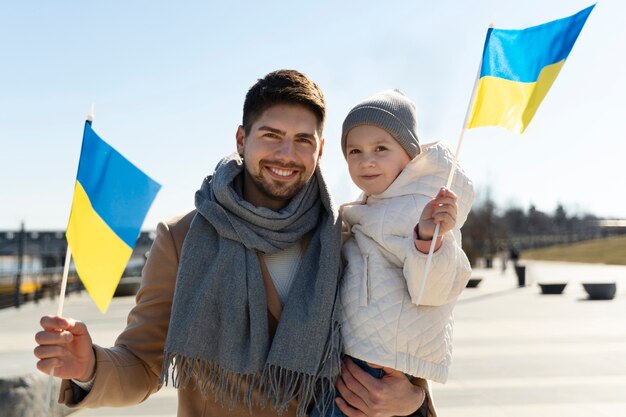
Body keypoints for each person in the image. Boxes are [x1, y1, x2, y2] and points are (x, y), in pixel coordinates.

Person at [34, 71, 432, 417]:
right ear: (242, 139)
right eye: (271, 135)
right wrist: (89, 367)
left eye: (302, 141)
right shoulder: (182, 238)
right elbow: (143, 364)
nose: (286, 154)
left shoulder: (351, 235)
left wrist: (410, 399)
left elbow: (397, 347)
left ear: (321, 150)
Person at [314, 90, 474, 417]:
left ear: (410, 155)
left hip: (376, 366)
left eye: (380, 149)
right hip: (360, 355)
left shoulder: (420, 207)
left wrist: (429, 239)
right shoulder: (376, 206)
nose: (365, 160)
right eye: (354, 151)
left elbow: (434, 289)